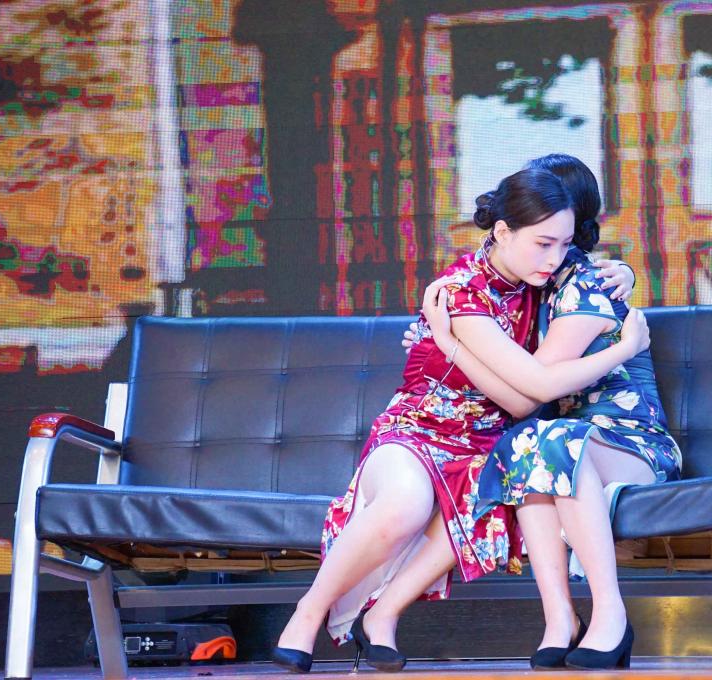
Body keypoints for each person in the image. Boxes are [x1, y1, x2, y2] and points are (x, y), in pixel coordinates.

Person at [271, 166, 650, 673]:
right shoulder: (460, 291)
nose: (554, 257)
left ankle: (382, 615)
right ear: (503, 231)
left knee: (492, 491)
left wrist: (623, 272)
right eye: (543, 243)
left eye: (563, 244)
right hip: (419, 428)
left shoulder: (545, 281)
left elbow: (523, 403)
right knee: (407, 503)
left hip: (487, 439)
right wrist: (449, 339)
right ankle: (307, 613)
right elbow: (533, 389)